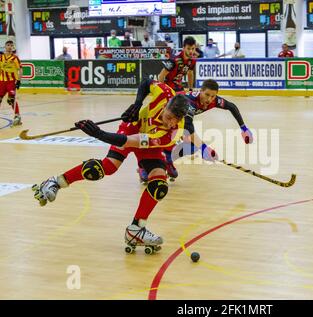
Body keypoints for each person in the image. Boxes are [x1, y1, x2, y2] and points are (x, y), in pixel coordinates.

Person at [32, 81, 218, 252]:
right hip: (132, 125)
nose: (171, 123)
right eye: (169, 117)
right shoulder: (164, 92)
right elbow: (146, 82)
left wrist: (98, 133)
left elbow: (129, 142)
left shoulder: (169, 133)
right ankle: (55, 182)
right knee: (107, 167)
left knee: (159, 184)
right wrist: (138, 104)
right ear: (167, 105)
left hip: (144, 141)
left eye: (175, 121)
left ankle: (136, 229)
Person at [150, 79, 254, 182]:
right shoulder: (189, 102)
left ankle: (168, 159)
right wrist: (204, 148)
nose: (209, 99)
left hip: (177, 122)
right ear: (201, 91)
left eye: (213, 96)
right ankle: (147, 165)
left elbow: (232, 106)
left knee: (192, 147)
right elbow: (188, 127)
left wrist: (243, 128)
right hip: (161, 118)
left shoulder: (213, 100)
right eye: (207, 95)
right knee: (163, 141)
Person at [0, 40, 22, 126]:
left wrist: (19, 80)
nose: (9, 47)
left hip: (11, 82)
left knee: (11, 99)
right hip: (1, 82)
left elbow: (20, 69)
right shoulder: (1, 57)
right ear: (5, 46)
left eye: (11, 45)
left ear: (13, 47)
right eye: (8, 45)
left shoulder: (15, 58)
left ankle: (17, 116)